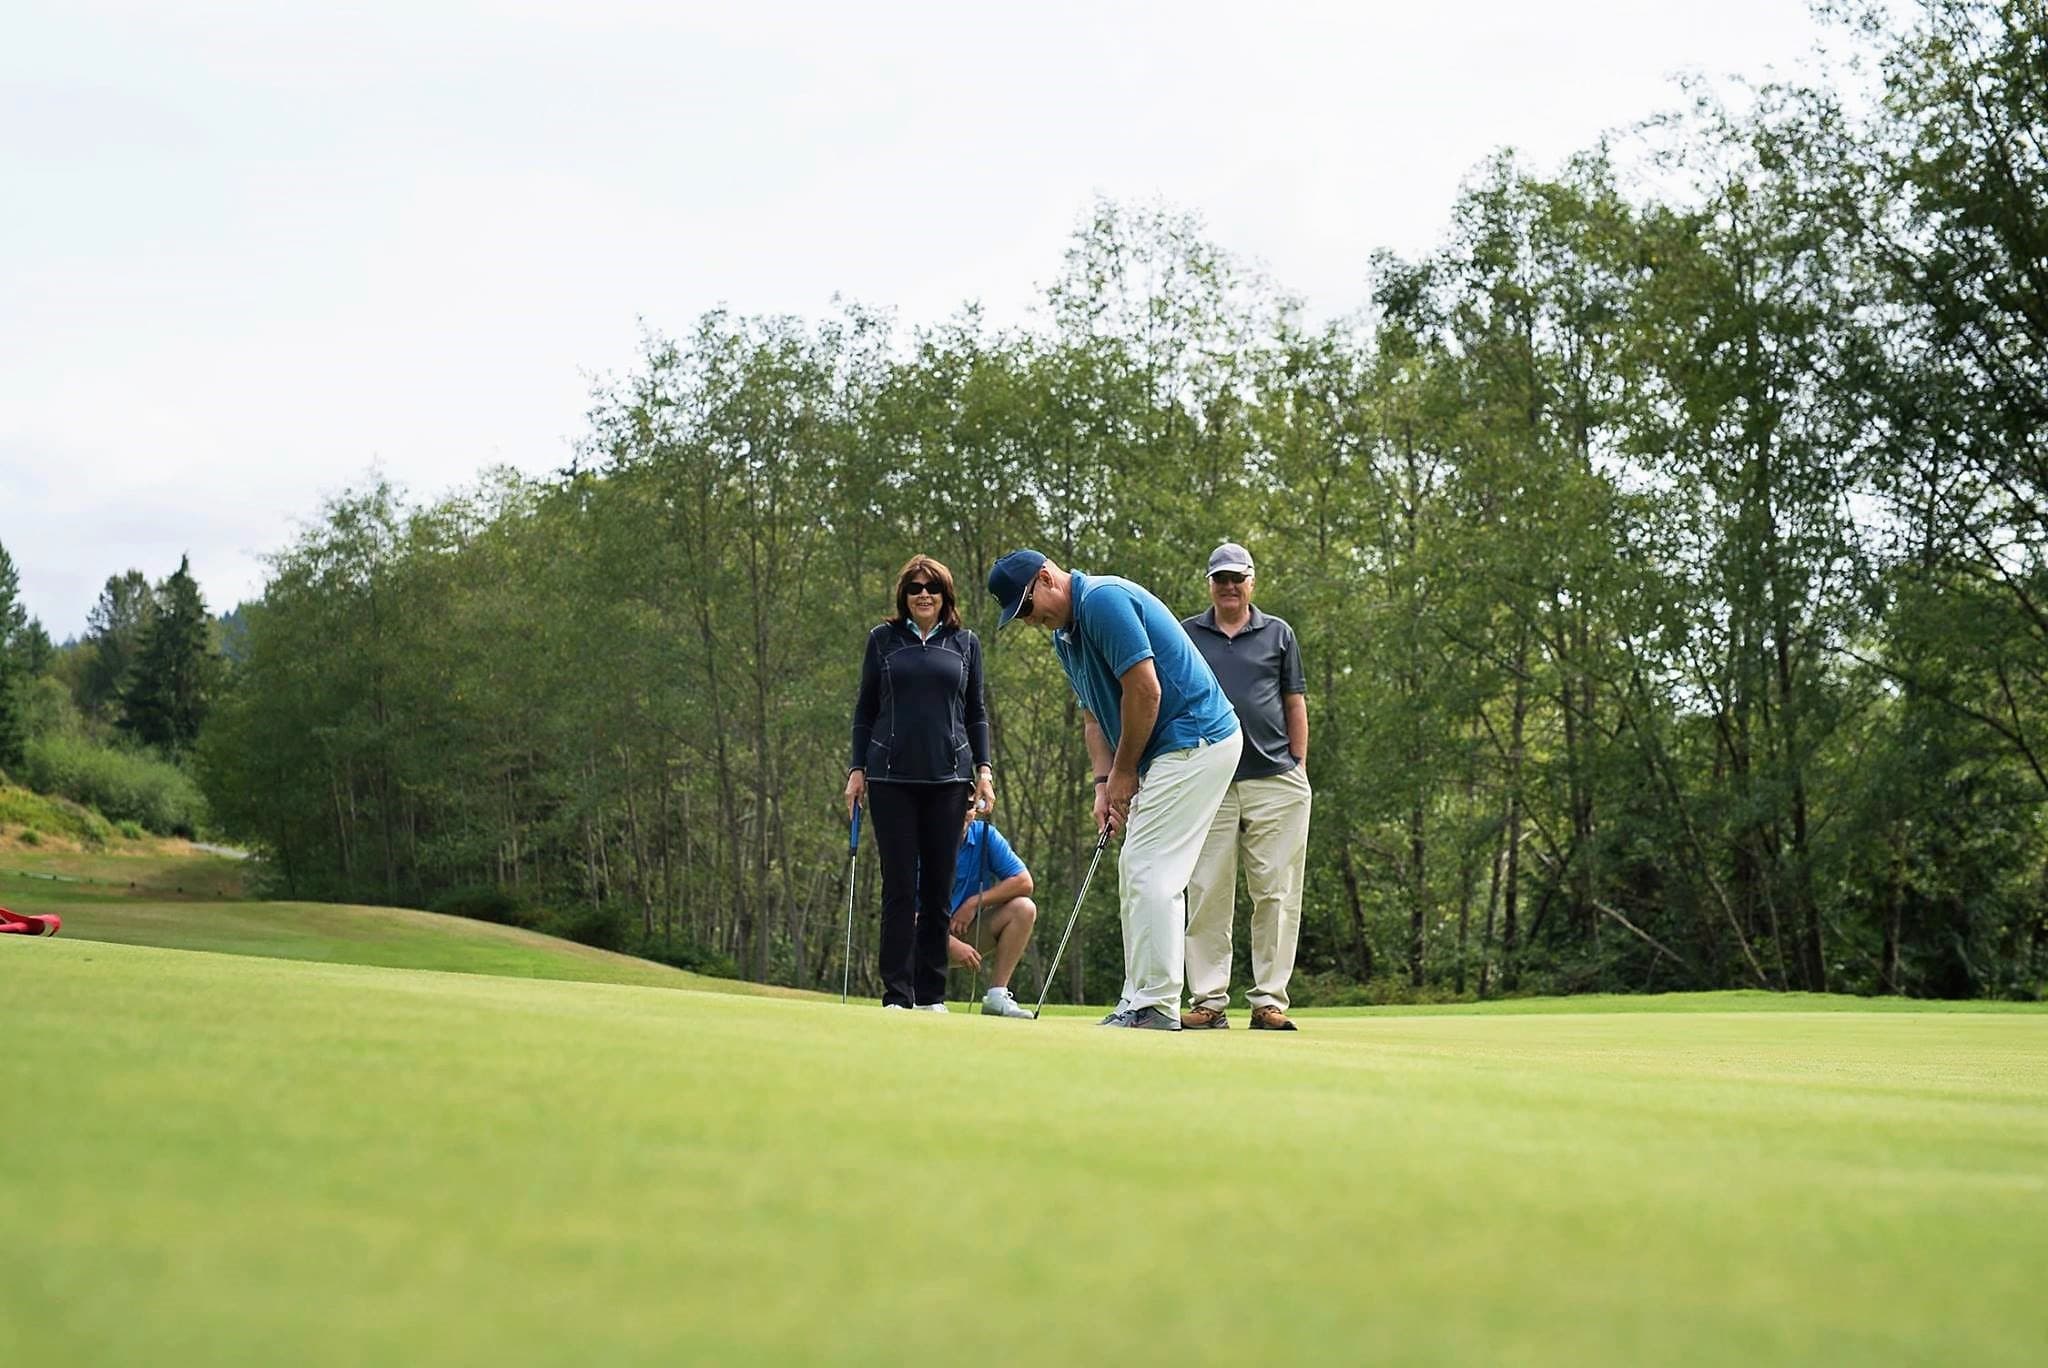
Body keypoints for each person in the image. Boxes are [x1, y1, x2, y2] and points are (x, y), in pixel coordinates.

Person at [987, 549, 1241, 1030]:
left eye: (1025, 607)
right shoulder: (1066, 636)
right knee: (1138, 866)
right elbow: (1092, 716)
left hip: (1196, 737)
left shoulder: (1103, 602)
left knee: (1151, 866)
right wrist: (1104, 783)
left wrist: (1126, 772)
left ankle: (1156, 1003)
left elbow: (1145, 690)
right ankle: (1139, 999)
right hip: (1168, 748)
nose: (1027, 620)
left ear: (1046, 578)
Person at [846, 556, 996, 1011]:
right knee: (897, 890)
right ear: (904, 596)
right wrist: (856, 770)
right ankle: (897, 993)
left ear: (945, 594)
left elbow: (976, 713)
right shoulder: (883, 640)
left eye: (932, 587)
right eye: (914, 588)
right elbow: (865, 710)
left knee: (937, 891)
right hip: (891, 779)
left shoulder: (965, 643)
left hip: (950, 781)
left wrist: (984, 771)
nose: (923, 594)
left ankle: (931, 995)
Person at [1180, 542, 1312, 1032]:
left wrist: (1297, 765)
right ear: (1209, 583)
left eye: (1237, 577)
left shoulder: (1278, 633)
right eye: (1220, 578)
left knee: (1275, 893)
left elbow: (1293, 702)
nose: (1229, 586)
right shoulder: (1188, 634)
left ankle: (1268, 1002)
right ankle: (1209, 1002)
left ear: (1251, 581)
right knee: (1207, 889)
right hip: (1209, 780)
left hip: (1276, 780)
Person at [943, 810, 1039, 1018]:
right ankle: (913, 992)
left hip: (967, 931)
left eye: (968, 804)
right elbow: (906, 915)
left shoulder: (985, 835)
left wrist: (974, 902)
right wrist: (949, 942)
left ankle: (996, 996)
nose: (962, 811)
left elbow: (1024, 882)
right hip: (921, 939)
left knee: (1024, 908)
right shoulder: (920, 836)